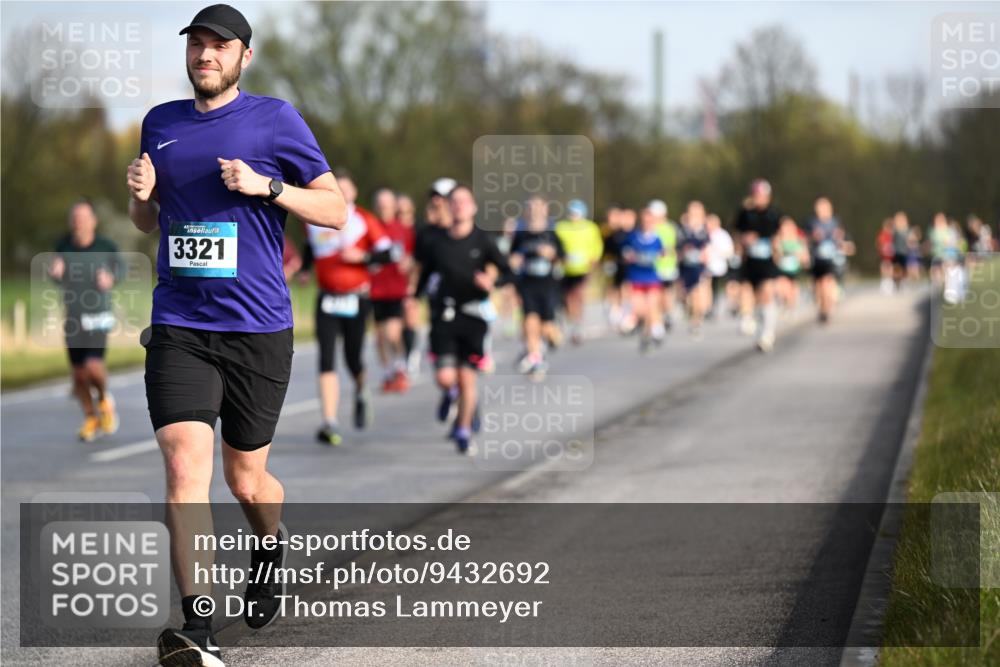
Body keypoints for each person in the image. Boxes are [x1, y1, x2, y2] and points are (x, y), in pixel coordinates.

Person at [126, 6, 346, 664]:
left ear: (243, 57)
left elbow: (335, 210)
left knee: (247, 481)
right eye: (197, 43)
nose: (206, 54)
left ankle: (270, 545)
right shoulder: (159, 123)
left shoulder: (276, 120)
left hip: (258, 327)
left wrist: (269, 185)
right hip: (180, 324)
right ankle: (197, 624)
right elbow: (147, 223)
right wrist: (140, 196)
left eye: (219, 45)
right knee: (184, 469)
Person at [415, 184, 509, 453]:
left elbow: (508, 272)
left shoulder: (484, 240)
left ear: (474, 207)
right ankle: (450, 393)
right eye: (453, 202)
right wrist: (414, 296)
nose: (458, 206)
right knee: (446, 377)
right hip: (443, 315)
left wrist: (492, 281)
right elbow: (425, 274)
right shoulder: (437, 241)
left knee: (468, 378)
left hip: (473, 316)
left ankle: (463, 429)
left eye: (464, 201)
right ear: (447, 206)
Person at [305, 169, 391, 445]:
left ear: (353, 192)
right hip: (327, 296)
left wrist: (362, 256)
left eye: (346, 188)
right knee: (326, 357)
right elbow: (311, 249)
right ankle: (329, 421)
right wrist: (306, 269)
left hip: (356, 297)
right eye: (335, 187)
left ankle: (361, 387)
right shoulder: (315, 218)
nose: (340, 193)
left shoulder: (364, 220)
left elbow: (389, 252)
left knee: (353, 356)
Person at [48, 199, 122, 441]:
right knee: (79, 374)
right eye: (75, 219)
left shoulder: (106, 246)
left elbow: (120, 270)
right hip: (74, 316)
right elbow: (58, 276)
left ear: (93, 221)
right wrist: (55, 273)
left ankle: (103, 399)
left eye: (83, 218)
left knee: (93, 366)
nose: (78, 223)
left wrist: (110, 278)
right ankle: (91, 417)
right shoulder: (63, 246)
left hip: (98, 315)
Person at [509, 195, 564, 379]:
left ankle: (553, 338)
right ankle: (537, 360)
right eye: (530, 208)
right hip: (527, 284)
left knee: (547, 327)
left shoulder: (552, 232)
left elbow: (562, 257)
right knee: (530, 322)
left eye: (538, 208)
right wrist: (515, 261)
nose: (534, 212)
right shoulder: (521, 233)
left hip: (548, 284)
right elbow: (512, 255)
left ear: (545, 210)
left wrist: (552, 255)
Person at [369, 188, 416, 393]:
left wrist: (411, 279)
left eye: (387, 205)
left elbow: (415, 258)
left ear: (394, 207)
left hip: (396, 290)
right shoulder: (370, 228)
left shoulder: (403, 230)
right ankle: (389, 372)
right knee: (379, 337)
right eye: (380, 205)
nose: (383, 208)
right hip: (374, 290)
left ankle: (401, 367)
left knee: (393, 333)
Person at [734, 179, 783, 352]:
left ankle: (767, 333)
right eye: (756, 195)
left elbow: (778, 237)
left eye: (762, 196)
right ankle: (747, 318)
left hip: (767, 260)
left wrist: (778, 254)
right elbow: (738, 236)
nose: (759, 199)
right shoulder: (745, 214)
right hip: (750, 261)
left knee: (766, 294)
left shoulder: (774, 214)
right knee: (747, 292)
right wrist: (743, 243)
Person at [555, 199, 603, 344]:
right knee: (567, 297)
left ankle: (577, 324)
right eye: (572, 214)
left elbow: (597, 246)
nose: (574, 216)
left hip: (582, 268)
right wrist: (560, 258)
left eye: (576, 214)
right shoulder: (561, 227)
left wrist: (594, 259)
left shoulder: (590, 228)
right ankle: (571, 320)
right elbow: (556, 246)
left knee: (578, 295)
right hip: (565, 269)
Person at [623, 203, 666, 352]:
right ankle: (648, 330)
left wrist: (658, 256)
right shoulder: (633, 237)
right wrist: (630, 256)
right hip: (636, 277)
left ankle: (648, 334)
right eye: (645, 220)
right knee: (640, 309)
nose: (647, 223)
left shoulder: (656, 238)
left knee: (652, 306)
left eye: (650, 220)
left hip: (651, 277)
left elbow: (663, 253)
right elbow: (625, 253)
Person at [808, 197, 848, 324]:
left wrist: (840, 240)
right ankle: (822, 307)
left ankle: (826, 310)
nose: (821, 210)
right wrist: (813, 237)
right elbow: (806, 238)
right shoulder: (811, 222)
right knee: (818, 286)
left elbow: (841, 237)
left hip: (830, 259)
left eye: (824, 207)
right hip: (817, 259)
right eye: (819, 208)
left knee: (826, 283)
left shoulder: (835, 222)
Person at [676, 201, 712, 339]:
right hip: (685, 268)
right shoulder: (682, 230)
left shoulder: (704, 231)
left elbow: (707, 248)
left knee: (700, 296)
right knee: (686, 297)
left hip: (700, 268)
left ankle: (696, 322)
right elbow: (678, 249)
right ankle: (690, 312)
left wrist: (704, 255)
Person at [650, 200, 679, 332]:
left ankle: (667, 314)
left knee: (666, 293)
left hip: (666, 267)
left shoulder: (669, 228)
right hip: (652, 267)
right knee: (655, 294)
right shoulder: (649, 228)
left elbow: (669, 247)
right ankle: (658, 318)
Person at [774, 216, 809, 312]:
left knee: (791, 289)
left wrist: (801, 258)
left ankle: (790, 305)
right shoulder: (778, 239)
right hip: (781, 269)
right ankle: (783, 301)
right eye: (784, 227)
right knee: (781, 285)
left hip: (794, 269)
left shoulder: (799, 239)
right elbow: (775, 255)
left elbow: (805, 257)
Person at [704, 213, 734, 321]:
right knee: (708, 287)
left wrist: (717, 252)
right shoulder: (705, 234)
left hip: (719, 267)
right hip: (707, 267)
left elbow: (729, 251)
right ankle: (709, 308)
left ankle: (723, 306)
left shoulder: (723, 235)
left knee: (719, 288)